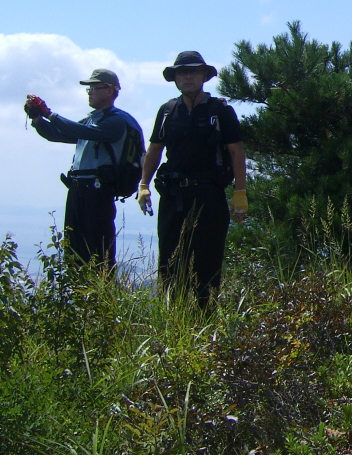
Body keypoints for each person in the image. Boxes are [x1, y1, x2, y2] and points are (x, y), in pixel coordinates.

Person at [137, 52, 247, 307]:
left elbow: (236, 151)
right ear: (175, 79)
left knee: (207, 261)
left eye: (194, 71)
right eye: (181, 72)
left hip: (209, 195)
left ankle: (205, 317)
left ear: (204, 76)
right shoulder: (167, 111)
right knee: (170, 260)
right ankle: (174, 315)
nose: (187, 76)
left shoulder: (220, 110)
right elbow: (154, 150)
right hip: (174, 195)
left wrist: (240, 192)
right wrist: (143, 185)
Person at [26, 69, 137, 268]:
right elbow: (59, 134)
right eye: (89, 88)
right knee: (74, 248)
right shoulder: (92, 119)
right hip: (79, 189)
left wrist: (49, 113)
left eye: (95, 87)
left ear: (110, 90)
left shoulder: (116, 120)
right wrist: (37, 119)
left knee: (96, 249)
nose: (90, 92)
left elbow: (80, 131)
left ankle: (100, 293)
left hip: (97, 191)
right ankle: (79, 291)